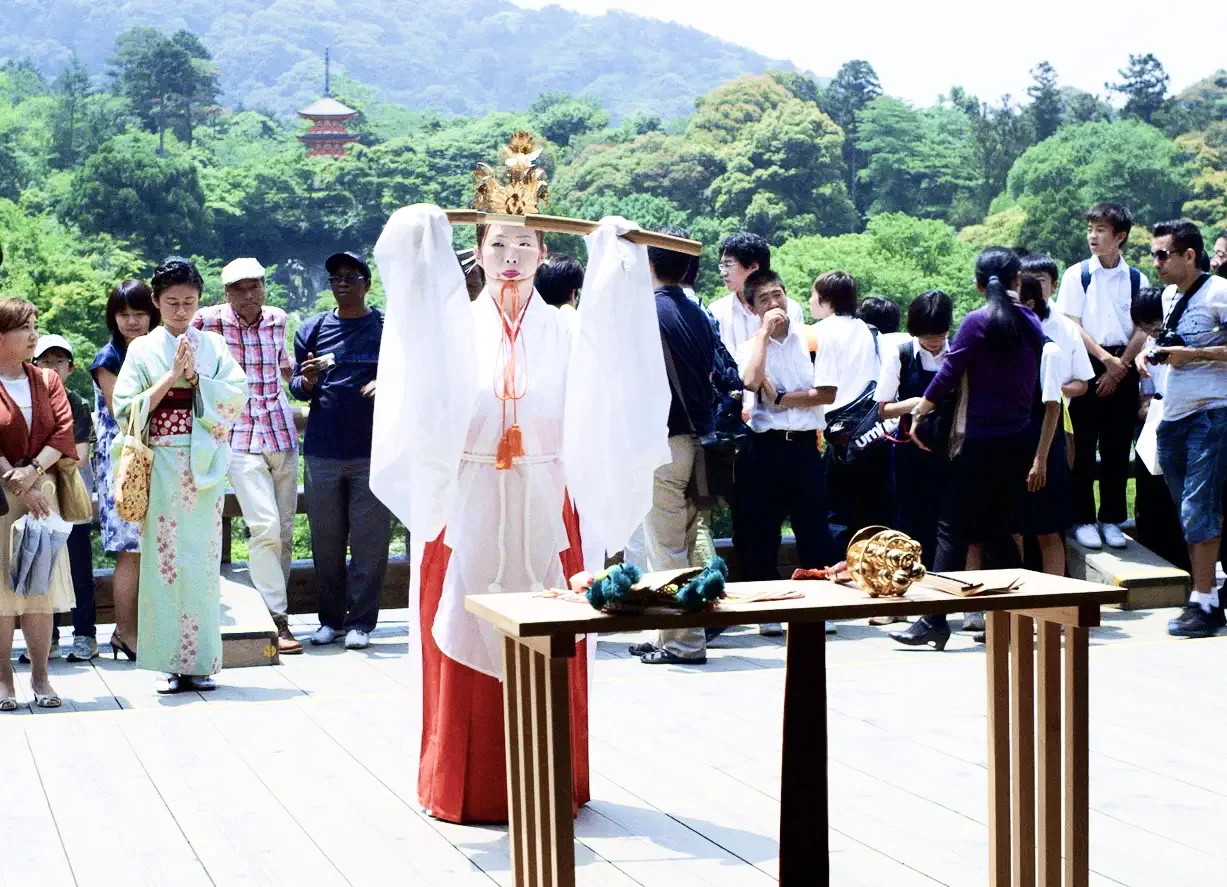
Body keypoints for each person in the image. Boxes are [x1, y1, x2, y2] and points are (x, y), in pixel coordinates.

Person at [369, 133, 671, 824]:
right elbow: (412, 300)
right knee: (460, 624)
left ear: (543, 253)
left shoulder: (568, 332)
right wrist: (418, 233)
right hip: (465, 496)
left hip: (545, 494)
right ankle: (465, 785)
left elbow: (616, 366)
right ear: (476, 251)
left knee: (552, 632)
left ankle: (551, 779)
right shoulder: (452, 331)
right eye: (498, 244)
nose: (511, 257)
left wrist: (617, 259)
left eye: (524, 245)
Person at [891, 248, 1044, 650]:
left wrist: (921, 411)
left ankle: (933, 620)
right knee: (997, 528)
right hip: (1018, 440)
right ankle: (1017, 615)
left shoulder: (977, 322)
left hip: (978, 442)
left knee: (951, 528)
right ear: (1016, 281)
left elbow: (949, 372)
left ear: (978, 284)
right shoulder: (1031, 322)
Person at [112, 258, 248, 693]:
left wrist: (199, 379)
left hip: (202, 462)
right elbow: (124, 409)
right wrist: (172, 377)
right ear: (156, 302)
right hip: (161, 463)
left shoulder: (214, 346)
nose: (181, 310)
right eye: (171, 302)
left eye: (189, 302)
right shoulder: (141, 349)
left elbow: (236, 397)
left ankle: (201, 661)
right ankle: (170, 662)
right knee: (164, 563)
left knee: (202, 563)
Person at [193, 258, 302, 656]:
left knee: (284, 532)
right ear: (226, 293)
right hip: (239, 436)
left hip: (281, 432)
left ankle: (273, 611)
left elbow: (284, 368)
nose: (248, 295)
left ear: (264, 287)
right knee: (265, 526)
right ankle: (276, 617)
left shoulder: (277, 319)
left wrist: (307, 378)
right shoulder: (208, 321)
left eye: (254, 286)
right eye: (239, 289)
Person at [291, 252, 391, 651]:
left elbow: (412, 373)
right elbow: (298, 387)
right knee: (326, 542)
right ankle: (330, 621)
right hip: (323, 450)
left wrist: (388, 383)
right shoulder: (312, 329)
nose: (343, 284)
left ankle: (361, 623)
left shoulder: (386, 328)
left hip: (373, 451)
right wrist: (308, 380)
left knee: (370, 543)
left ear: (367, 283)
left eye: (351, 277)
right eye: (335, 278)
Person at [629, 226, 717, 665]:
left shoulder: (646, 312)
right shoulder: (699, 314)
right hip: (697, 444)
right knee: (679, 543)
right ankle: (665, 633)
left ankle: (683, 642)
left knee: (665, 549)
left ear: (649, 263)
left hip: (663, 444)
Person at [734, 270, 835, 602]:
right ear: (751, 308)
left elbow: (826, 393)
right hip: (765, 446)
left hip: (805, 446)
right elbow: (751, 382)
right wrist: (763, 335)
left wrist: (780, 398)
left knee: (814, 528)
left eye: (778, 294)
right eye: (763, 299)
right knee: (761, 531)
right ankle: (768, 607)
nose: (774, 303)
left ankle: (821, 604)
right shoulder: (750, 347)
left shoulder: (812, 338)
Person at [1147, 220, 1227, 638]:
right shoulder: (1167, 296)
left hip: (1211, 414)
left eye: (1163, 254)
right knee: (1191, 511)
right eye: (1154, 255)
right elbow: (1168, 345)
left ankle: (1204, 601)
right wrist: (1151, 355)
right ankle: (1207, 595)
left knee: (1198, 509)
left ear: (1189, 255)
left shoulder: (1220, 292)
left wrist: (1192, 354)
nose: (1156, 263)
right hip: (1173, 416)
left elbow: (1192, 351)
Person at [1055, 202, 1148, 551]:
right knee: (1082, 444)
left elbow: (1143, 327)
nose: (1093, 237)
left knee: (1117, 444)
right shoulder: (1077, 274)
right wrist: (1106, 360)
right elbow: (1072, 325)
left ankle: (1111, 518)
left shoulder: (1137, 278)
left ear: (1120, 236)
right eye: (1090, 229)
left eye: (1101, 230)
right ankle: (1082, 517)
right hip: (1087, 364)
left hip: (1125, 364)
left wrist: (1120, 365)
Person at [0, 298, 78, 710]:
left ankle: (41, 677)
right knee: (1, 594)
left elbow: (64, 431)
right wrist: (15, 479)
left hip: (41, 492)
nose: (34, 335)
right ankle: (3, 681)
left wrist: (32, 472)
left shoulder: (47, 380)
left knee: (39, 590)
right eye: (24, 328)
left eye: (35, 326)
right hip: (2, 494)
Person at [90, 280, 158, 661]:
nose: (132, 321)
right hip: (123, 462)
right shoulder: (109, 357)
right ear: (112, 317)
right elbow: (123, 411)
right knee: (130, 551)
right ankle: (125, 633)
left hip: (156, 458)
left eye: (140, 313)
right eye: (124, 314)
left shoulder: (157, 348)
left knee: (153, 548)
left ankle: (144, 629)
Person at [809, 271, 890, 550]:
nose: (810, 301)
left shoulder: (818, 333)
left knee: (836, 514)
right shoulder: (870, 330)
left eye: (813, 295)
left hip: (839, 436)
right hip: (873, 432)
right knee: (874, 513)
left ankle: (839, 568)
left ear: (826, 299)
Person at [32, 335, 98, 662]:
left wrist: (36, 462)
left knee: (78, 569)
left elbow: (81, 456)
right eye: (45, 361)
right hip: (37, 498)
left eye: (59, 361)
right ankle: (49, 639)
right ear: (33, 365)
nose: (52, 368)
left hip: (70, 497)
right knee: (41, 568)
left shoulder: (77, 403)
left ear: (71, 368)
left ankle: (85, 635)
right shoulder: (25, 401)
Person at [875, 290, 952, 568]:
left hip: (949, 450)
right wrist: (914, 404)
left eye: (939, 336)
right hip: (910, 451)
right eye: (926, 336)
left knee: (945, 522)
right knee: (907, 519)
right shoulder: (902, 354)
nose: (934, 343)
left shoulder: (957, 353)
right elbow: (883, 409)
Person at [1015, 275, 1081, 577]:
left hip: (1042, 446)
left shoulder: (1048, 350)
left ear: (1029, 304)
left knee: (1048, 530)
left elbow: (1053, 406)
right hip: (1012, 445)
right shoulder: (1004, 346)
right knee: (1013, 527)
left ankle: (1055, 598)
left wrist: (1040, 459)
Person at [708, 232, 804, 354]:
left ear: (753, 267)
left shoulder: (791, 309)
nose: (723, 273)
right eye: (722, 266)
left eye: (728, 265)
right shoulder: (717, 312)